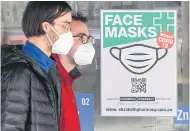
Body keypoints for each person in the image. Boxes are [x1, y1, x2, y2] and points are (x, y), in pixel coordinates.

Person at [1, 2, 73, 131]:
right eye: (65, 26)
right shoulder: (18, 72)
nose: (69, 33)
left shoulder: (50, 69)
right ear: (46, 27)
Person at [52, 13, 95, 131]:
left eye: (89, 38)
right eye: (82, 37)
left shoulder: (67, 80)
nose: (88, 43)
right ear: (63, 41)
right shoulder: (50, 81)